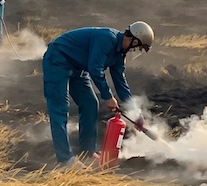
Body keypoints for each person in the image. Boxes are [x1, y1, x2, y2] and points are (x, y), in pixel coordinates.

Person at [42, 21, 154, 167]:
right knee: (60, 108)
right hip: (58, 60)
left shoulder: (119, 55)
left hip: (78, 68)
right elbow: (95, 69)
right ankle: (65, 160)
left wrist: (135, 113)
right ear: (134, 39)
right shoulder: (107, 39)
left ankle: (87, 152)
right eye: (137, 47)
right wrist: (108, 96)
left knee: (90, 103)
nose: (135, 51)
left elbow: (121, 83)